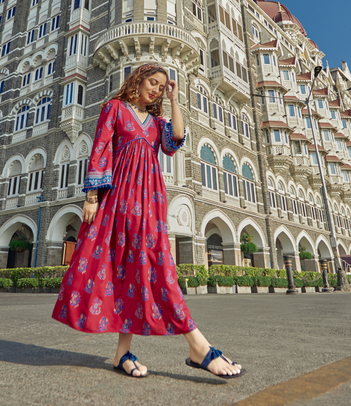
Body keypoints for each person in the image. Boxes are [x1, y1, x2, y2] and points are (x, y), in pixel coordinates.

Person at [52, 64, 244, 379]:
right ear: (138, 81)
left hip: (149, 202)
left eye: (160, 86)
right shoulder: (114, 108)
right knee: (126, 270)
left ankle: (162, 349)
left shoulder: (156, 122)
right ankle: (179, 349)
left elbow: (176, 140)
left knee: (154, 266)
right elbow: (100, 150)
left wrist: (174, 99)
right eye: (152, 83)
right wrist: (90, 198)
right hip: (118, 201)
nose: (155, 89)